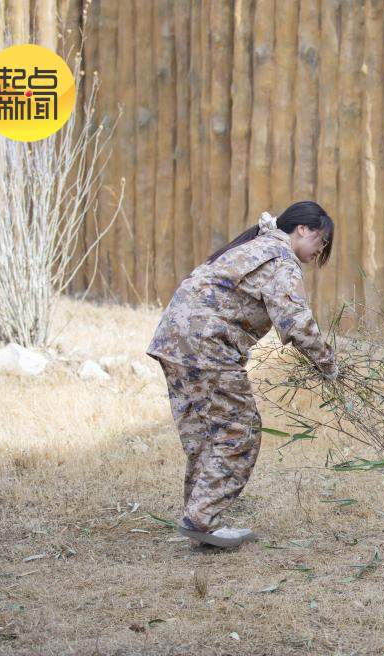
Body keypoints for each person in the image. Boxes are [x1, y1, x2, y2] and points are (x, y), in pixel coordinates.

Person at [146, 201, 338, 549]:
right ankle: (202, 519)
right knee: (239, 433)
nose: (319, 251)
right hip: (207, 346)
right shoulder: (280, 259)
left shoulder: (254, 246)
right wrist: (327, 363)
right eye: (321, 242)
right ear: (303, 230)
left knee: (206, 434)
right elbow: (296, 322)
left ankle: (200, 519)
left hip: (173, 341)